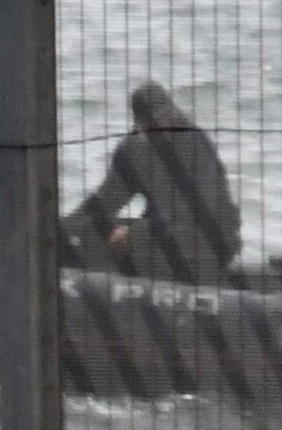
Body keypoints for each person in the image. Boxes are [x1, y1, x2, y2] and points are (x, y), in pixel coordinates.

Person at [61, 80, 241, 283]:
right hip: (158, 230)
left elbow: (195, 209)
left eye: (167, 117)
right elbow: (107, 200)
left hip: (208, 233)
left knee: (143, 236)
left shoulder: (195, 143)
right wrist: (66, 226)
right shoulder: (133, 151)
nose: (164, 124)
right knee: (86, 230)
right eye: (155, 120)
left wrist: (133, 235)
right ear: (141, 124)